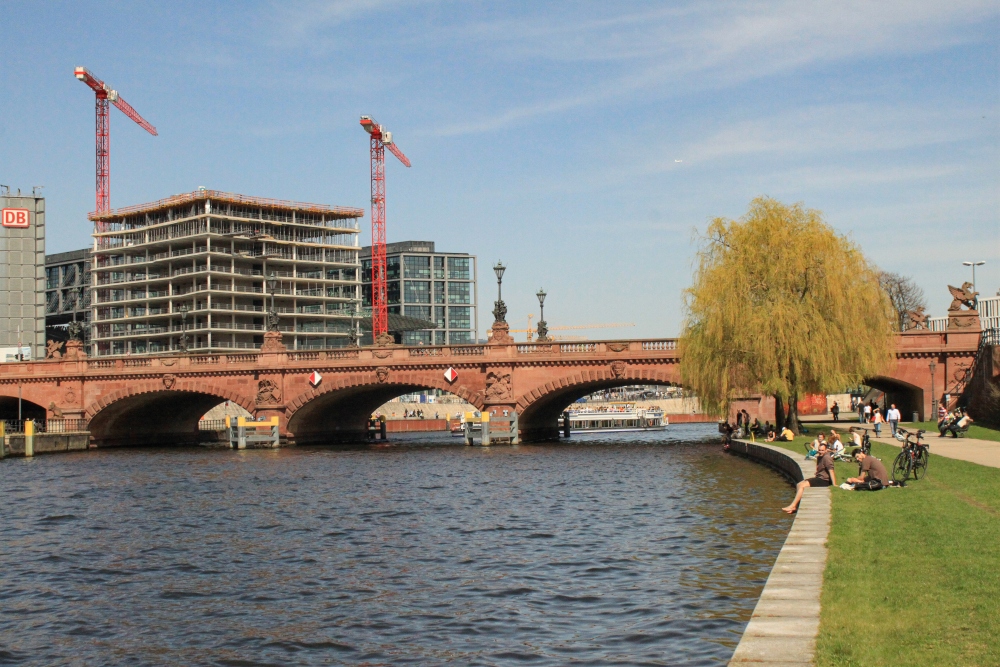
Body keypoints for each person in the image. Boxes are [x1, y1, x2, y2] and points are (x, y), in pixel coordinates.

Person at [783, 441, 836, 513]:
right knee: (799, 484)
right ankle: (795, 506)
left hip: (824, 480)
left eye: (822, 450)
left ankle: (793, 506)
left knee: (802, 485)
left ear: (826, 450)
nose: (820, 452)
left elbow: (831, 470)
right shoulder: (820, 457)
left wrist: (834, 484)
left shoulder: (826, 457)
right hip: (819, 478)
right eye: (819, 450)